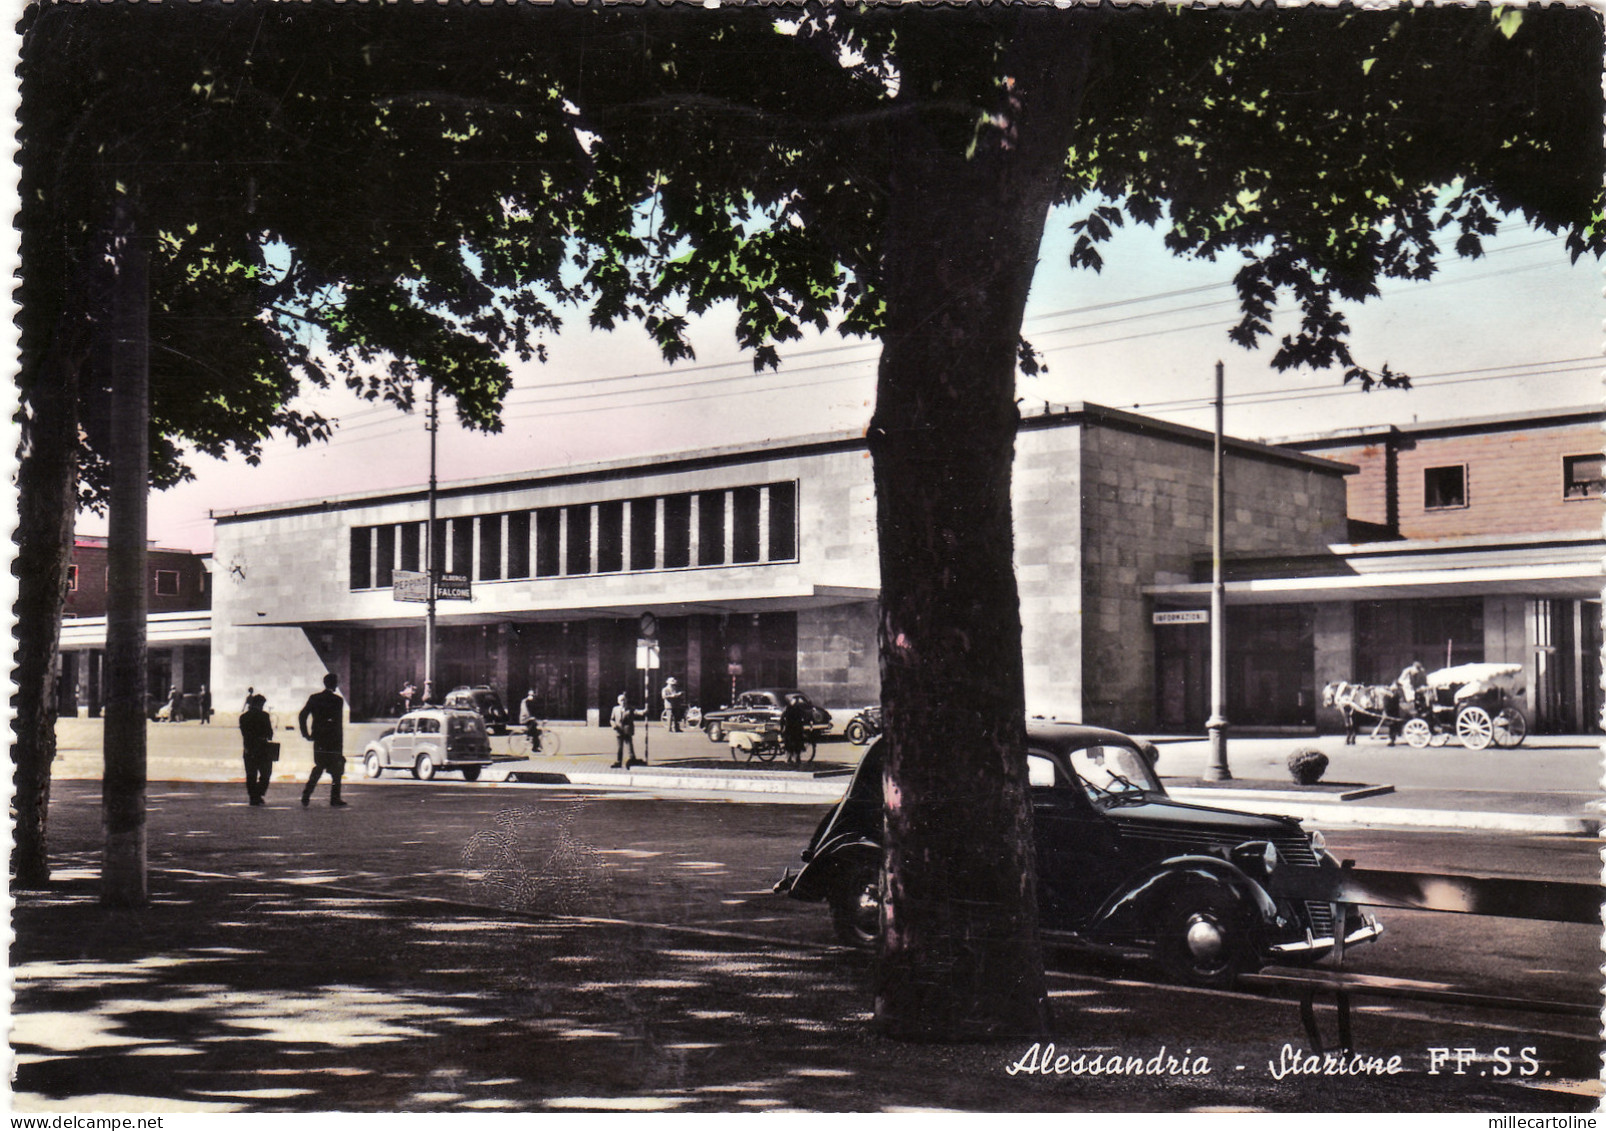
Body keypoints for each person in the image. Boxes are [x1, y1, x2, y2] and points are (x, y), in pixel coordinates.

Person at [298, 673, 349, 808]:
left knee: (319, 767)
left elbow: (302, 715)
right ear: (334, 684)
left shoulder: (315, 698)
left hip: (319, 739)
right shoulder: (338, 700)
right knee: (336, 771)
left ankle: (306, 794)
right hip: (334, 740)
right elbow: (338, 724)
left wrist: (306, 734)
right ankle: (335, 797)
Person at [239, 693, 276, 805]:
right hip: (262, 748)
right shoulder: (264, 716)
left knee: (251, 774)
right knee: (266, 774)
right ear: (261, 704)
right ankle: (258, 794)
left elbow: (244, 733)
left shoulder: (243, 717)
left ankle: (252, 797)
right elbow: (269, 733)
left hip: (248, 748)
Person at [779, 693, 811, 768]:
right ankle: (796, 758)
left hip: (790, 729)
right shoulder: (798, 709)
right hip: (796, 729)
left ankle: (789, 758)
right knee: (797, 744)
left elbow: (782, 719)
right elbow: (804, 717)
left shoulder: (787, 708)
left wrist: (782, 728)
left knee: (789, 744)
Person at [610, 693, 637, 768]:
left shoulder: (630, 709)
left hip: (627, 730)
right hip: (619, 730)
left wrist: (644, 711)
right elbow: (612, 719)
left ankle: (632, 759)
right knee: (619, 748)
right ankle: (619, 762)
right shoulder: (615, 709)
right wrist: (614, 725)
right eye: (621, 700)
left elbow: (637, 712)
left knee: (629, 746)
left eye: (624, 700)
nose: (623, 702)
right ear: (618, 701)